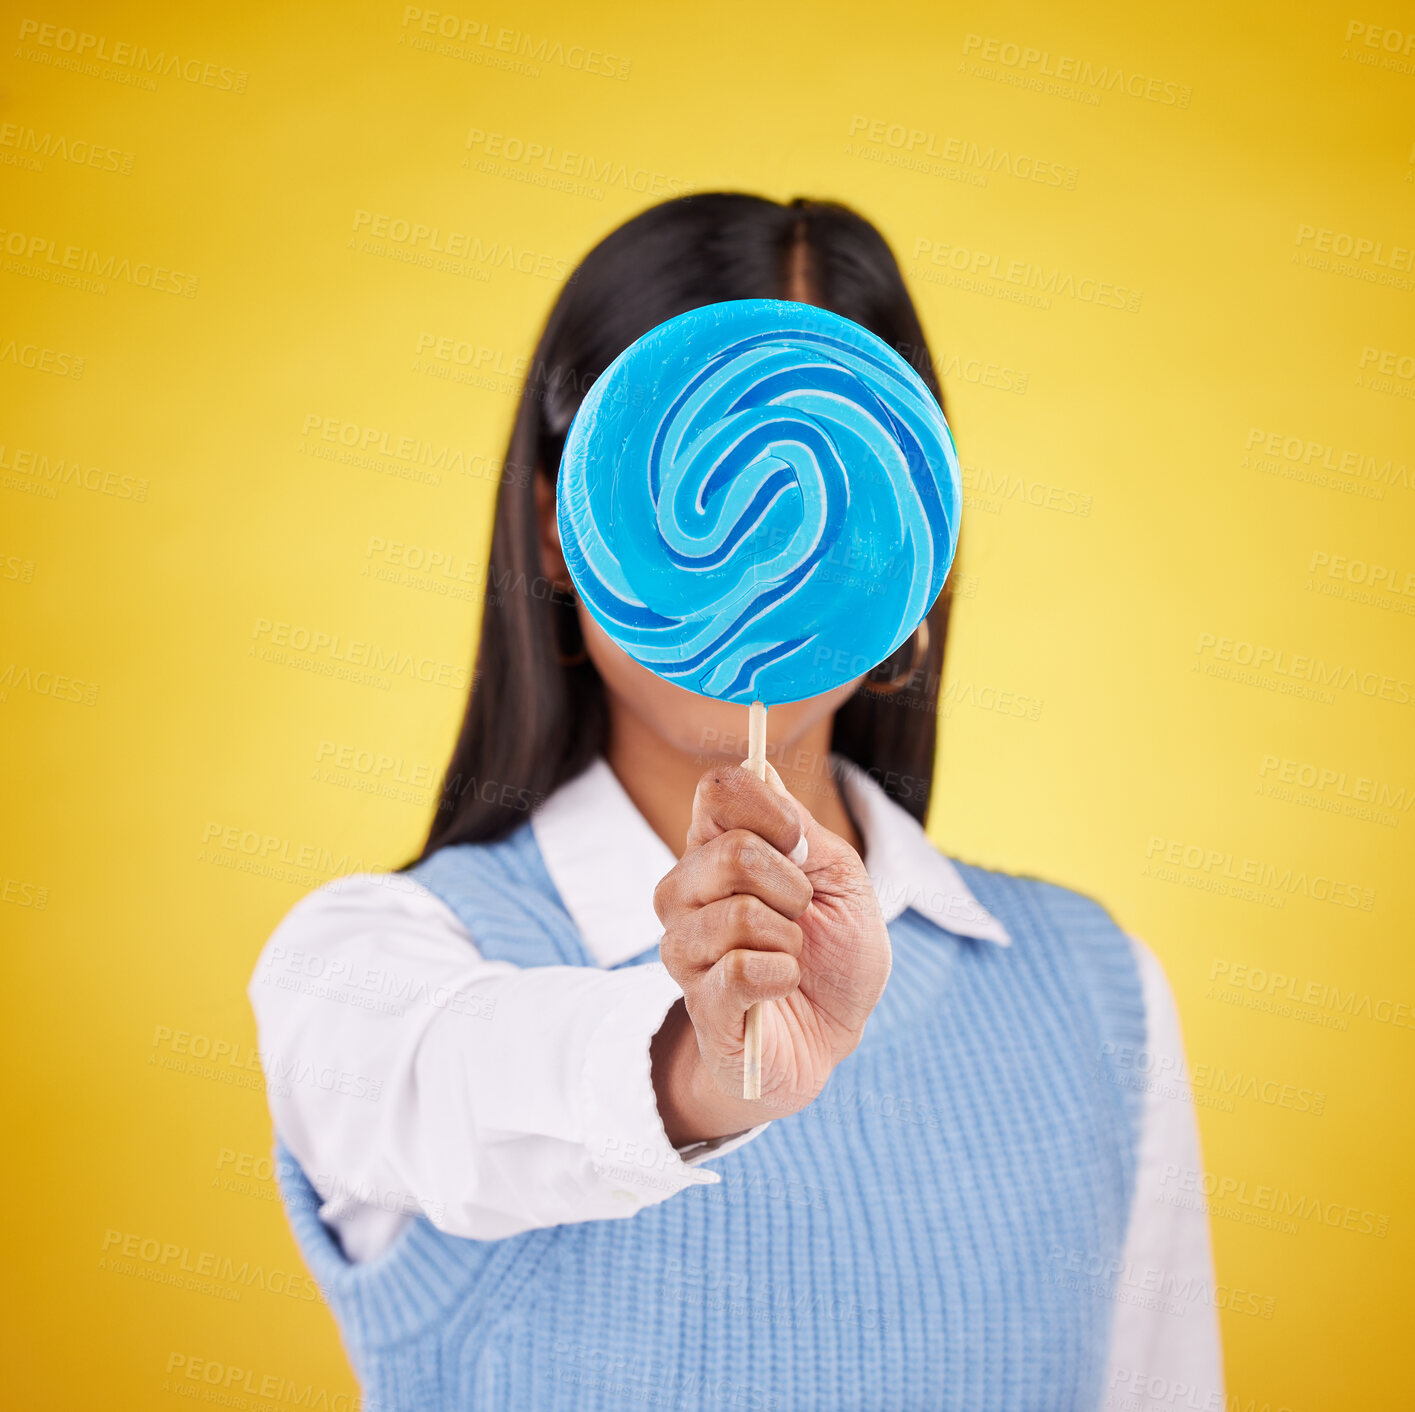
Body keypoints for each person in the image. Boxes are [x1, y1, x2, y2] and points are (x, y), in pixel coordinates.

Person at [249, 192, 1223, 1411]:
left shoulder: (1096, 990)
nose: (771, 545)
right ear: (559, 529)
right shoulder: (367, 969)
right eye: (691, 469)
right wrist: (698, 1071)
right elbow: (448, 1089)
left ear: (915, 548)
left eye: (829, 490)